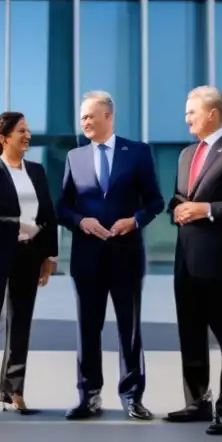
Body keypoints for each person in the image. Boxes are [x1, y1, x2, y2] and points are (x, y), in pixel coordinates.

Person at [57, 90, 164, 421]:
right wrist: (80, 221)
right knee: (88, 328)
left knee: (129, 329)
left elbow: (155, 201)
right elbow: (62, 207)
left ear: (109, 116)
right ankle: (89, 395)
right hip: (87, 258)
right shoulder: (74, 157)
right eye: (82, 118)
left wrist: (133, 221)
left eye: (90, 116)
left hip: (126, 256)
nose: (85, 122)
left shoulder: (138, 153)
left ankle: (132, 396)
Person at [164, 86, 222, 435]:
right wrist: (175, 208)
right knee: (190, 334)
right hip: (185, 261)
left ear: (212, 114)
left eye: (192, 112)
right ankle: (197, 402)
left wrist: (205, 210)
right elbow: (177, 197)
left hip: (219, 263)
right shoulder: (186, 153)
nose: (187, 118)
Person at [0, 112, 58, 422]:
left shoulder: (37, 171)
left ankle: (13, 391)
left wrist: (49, 256)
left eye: (28, 130)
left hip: (29, 257)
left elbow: (49, 215)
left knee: (20, 325)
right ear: (4, 137)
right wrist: (18, 224)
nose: (27, 136)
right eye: (21, 131)